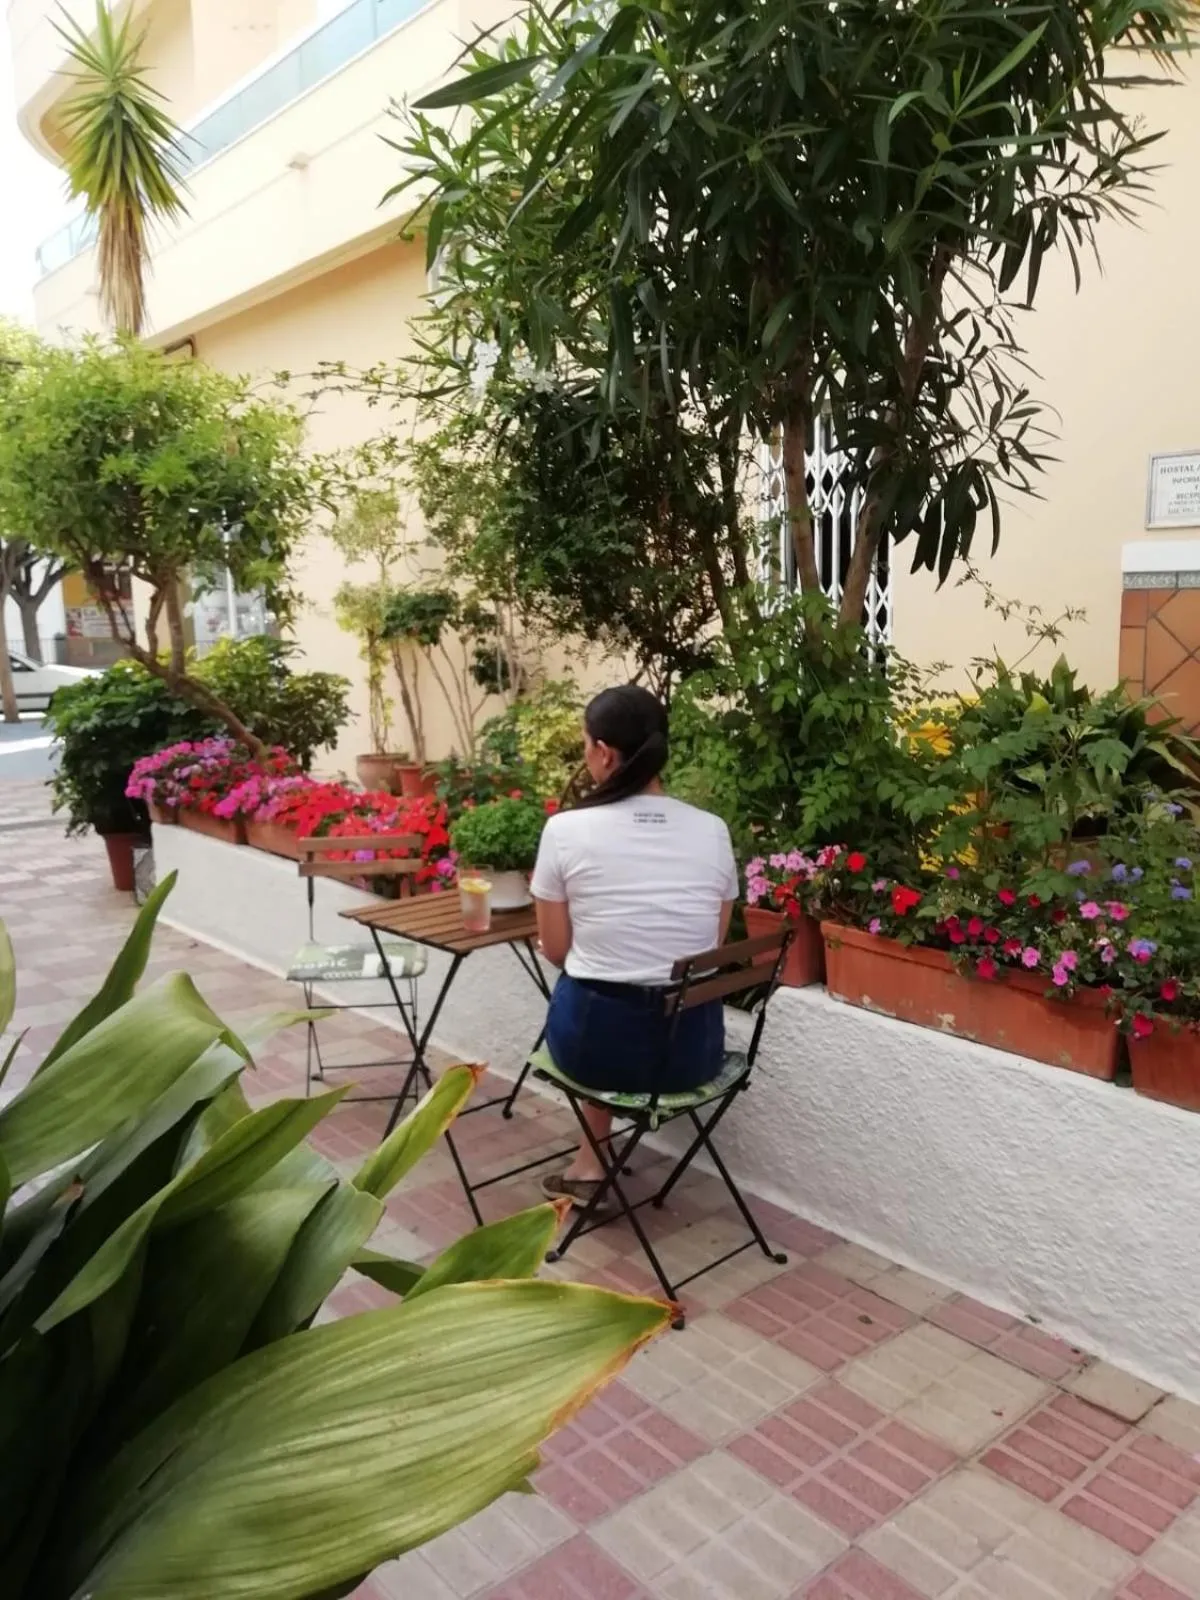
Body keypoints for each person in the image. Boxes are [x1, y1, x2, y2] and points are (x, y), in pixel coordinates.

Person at [531, 684, 738, 1207]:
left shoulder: (565, 830)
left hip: (597, 1057)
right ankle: (589, 1162)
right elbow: (709, 945)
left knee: (588, 988)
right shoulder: (712, 830)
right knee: (612, 983)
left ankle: (590, 1162)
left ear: (603, 752)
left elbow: (556, 950)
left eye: (584, 746)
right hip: (693, 1055)